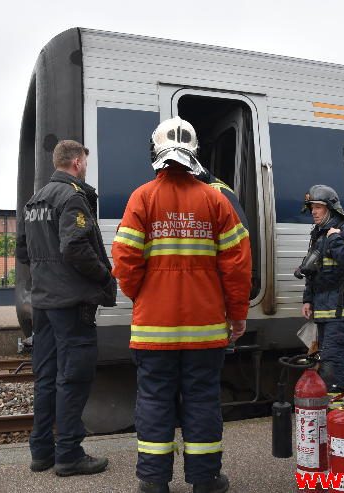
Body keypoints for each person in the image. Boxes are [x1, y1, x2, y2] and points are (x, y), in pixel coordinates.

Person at [112, 116, 252, 493]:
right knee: (203, 401)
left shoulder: (142, 198)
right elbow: (238, 267)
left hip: (153, 330)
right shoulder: (215, 199)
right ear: (195, 153)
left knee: (155, 401)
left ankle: (154, 482)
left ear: (154, 152)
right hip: (205, 330)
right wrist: (237, 315)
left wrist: (144, 294)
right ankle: (205, 480)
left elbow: (124, 261)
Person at [15, 139, 117, 475]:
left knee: (46, 378)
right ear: (75, 162)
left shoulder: (34, 201)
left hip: (43, 303)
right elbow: (75, 246)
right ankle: (69, 455)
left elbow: (23, 251)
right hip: (71, 303)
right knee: (73, 378)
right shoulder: (72, 196)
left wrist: (47, 273)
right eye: (84, 161)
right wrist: (104, 275)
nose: (85, 166)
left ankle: (41, 452)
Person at [295, 185, 344, 404]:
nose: (314, 211)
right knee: (325, 359)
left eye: (319, 207)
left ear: (331, 209)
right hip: (323, 309)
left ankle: (342, 408)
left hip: (341, 309)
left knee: (335, 359)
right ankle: (333, 409)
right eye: (312, 207)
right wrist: (307, 299)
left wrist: (334, 239)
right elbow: (312, 269)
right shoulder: (318, 233)